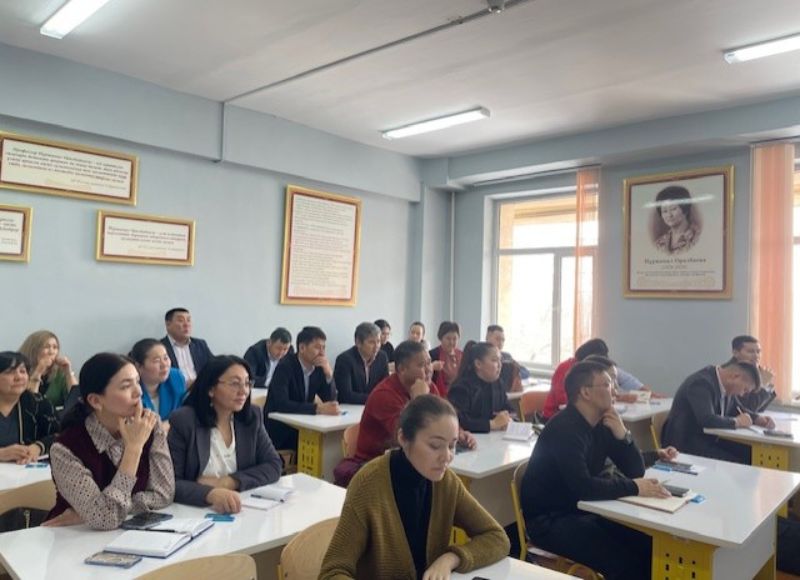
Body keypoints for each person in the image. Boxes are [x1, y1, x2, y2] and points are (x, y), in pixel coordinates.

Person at [319, 395, 509, 580]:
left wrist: (451, 558)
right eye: (435, 446)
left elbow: (497, 537)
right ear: (403, 438)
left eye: (452, 446)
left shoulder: (446, 483)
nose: (447, 457)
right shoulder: (368, 484)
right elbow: (332, 571)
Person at [521, 361, 668, 580]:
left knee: (649, 546)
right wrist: (634, 488)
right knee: (626, 562)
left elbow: (635, 470)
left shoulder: (603, 423)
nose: (615, 390)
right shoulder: (565, 429)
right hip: (550, 520)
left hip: (583, 510)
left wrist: (623, 434)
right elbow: (583, 487)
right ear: (586, 392)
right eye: (607, 384)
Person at [43, 353, 174, 530]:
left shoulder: (149, 423)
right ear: (96, 401)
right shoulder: (66, 448)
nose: (139, 392)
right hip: (73, 536)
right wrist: (133, 449)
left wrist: (95, 510)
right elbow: (105, 519)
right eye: (126, 386)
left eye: (137, 381)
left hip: (130, 533)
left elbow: (164, 494)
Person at [168, 355, 282, 514]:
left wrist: (229, 482)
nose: (244, 391)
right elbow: (171, 482)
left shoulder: (252, 417)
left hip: (242, 509)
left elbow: (274, 465)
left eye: (247, 383)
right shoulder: (185, 421)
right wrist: (210, 494)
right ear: (211, 389)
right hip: (194, 512)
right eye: (235, 384)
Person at [351, 341, 476, 469]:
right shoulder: (384, 395)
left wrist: (459, 433)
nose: (429, 369)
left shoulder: (429, 386)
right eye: (421, 365)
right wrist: (419, 400)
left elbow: (441, 418)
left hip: (411, 459)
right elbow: (406, 437)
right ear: (402, 369)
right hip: (375, 463)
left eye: (429, 363)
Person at [661, 360, 773, 463]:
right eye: (745, 389)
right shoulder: (701, 383)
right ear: (735, 376)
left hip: (708, 439)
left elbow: (736, 408)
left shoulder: (726, 384)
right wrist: (737, 422)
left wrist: (757, 419)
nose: (742, 394)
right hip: (685, 444)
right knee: (742, 460)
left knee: (750, 453)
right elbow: (706, 419)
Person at [264, 326, 338, 450]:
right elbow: (282, 404)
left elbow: (330, 401)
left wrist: (329, 375)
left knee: (331, 440)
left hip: (304, 425)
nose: (322, 353)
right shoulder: (285, 366)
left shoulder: (319, 367)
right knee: (320, 444)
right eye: (317, 347)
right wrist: (317, 408)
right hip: (281, 429)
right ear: (302, 348)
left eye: (323, 348)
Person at [542, 338, 644, 420]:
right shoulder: (568, 369)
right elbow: (565, 401)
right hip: (555, 417)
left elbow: (628, 380)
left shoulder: (603, 370)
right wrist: (617, 398)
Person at [0, 351, 59, 463]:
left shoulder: (37, 403)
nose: (19, 377)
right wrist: (1, 454)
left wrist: (38, 447)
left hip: (27, 470)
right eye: (9, 372)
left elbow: (62, 434)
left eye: (23, 371)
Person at [447, 342, 513, 433]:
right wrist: (492, 424)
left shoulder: (498, 384)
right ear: (478, 364)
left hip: (494, 437)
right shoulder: (461, 388)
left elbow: (509, 409)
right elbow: (458, 420)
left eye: (500, 360)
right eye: (494, 360)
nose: (500, 365)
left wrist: (508, 419)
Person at [129, 339, 186, 421]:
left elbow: (183, 412)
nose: (164, 365)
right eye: (157, 361)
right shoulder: (131, 390)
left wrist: (167, 424)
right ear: (138, 366)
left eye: (166, 358)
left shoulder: (176, 377)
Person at [18, 330, 77, 407]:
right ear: (33, 350)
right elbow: (29, 402)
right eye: (46, 347)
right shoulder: (20, 372)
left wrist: (68, 372)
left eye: (55, 347)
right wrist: (38, 371)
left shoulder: (60, 374)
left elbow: (76, 398)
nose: (51, 352)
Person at [334, 322, 389, 404]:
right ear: (358, 343)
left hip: (374, 406)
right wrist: (376, 399)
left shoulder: (382, 357)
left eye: (378, 341)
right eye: (371, 342)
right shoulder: (344, 360)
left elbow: (386, 388)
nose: (376, 346)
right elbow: (346, 395)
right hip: (350, 407)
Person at [160, 307, 213, 385]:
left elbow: (213, 367)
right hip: (175, 390)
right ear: (168, 324)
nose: (186, 324)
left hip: (201, 388)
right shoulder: (159, 348)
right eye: (181, 320)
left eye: (188, 320)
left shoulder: (200, 344)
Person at [728, 335, 776, 412]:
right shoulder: (730, 373)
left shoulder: (756, 372)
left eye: (758, 352)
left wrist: (767, 385)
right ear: (735, 353)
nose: (756, 356)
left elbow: (760, 410)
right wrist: (763, 385)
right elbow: (746, 409)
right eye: (750, 352)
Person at [653, 185, 701, 254]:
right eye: (665, 211)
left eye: (673, 209)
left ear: (684, 208)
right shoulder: (659, 243)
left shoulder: (698, 238)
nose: (669, 215)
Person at [485, 324, 530, 388]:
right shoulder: (481, 355)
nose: (501, 343)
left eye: (503, 340)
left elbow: (525, 372)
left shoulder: (506, 356)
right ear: (487, 338)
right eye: (497, 339)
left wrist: (514, 374)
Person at [430, 321, 463, 397]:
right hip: (437, 396)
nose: (451, 342)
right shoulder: (432, 355)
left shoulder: (462, 355)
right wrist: (432, 366)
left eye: (455, 339)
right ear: (441, 338)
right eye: (448, 338)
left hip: (458, 395)